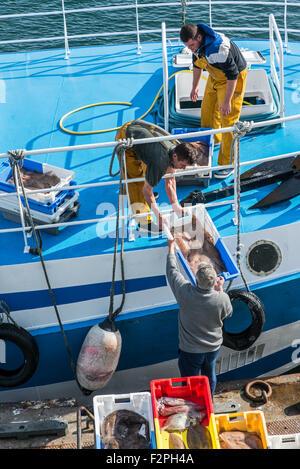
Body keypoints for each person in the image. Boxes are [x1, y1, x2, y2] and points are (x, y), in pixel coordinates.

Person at [180, 23, 248, 179]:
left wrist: (227, 101)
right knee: (207, 110)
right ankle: (214, 140)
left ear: (199, 37)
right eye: (187, 46)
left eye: (191, 45)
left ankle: (228, 163)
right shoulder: (196, 47)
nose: (190, 48)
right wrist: (194, 87)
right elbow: (197, 65)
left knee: (228, 119)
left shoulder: (219, 50)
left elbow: (233, 75)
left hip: (233, 80)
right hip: (215, 75)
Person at [166, 238, 233, 397]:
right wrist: (220, 289)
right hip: (212, 348)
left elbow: (172, 271)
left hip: (190, 350)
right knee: (209, 376)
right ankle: (208, 399)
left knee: (189, 379)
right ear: (215, 280)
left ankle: (192, 401)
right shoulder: (221, 298)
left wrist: (171, 249)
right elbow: (228, 313)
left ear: (196, 280)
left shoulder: (184, 293)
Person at [115, 120, 198, 233]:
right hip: (127, 136)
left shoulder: (177, 148)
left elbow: (170, 180)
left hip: (142, 132)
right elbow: (146, 190)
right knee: (136, 182)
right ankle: (143, 222)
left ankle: (149, 196)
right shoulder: (160, 162)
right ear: (174, 156)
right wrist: (159, 217)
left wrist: (175, 205)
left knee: (149, 174)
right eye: (183, 165)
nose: (183, 169)